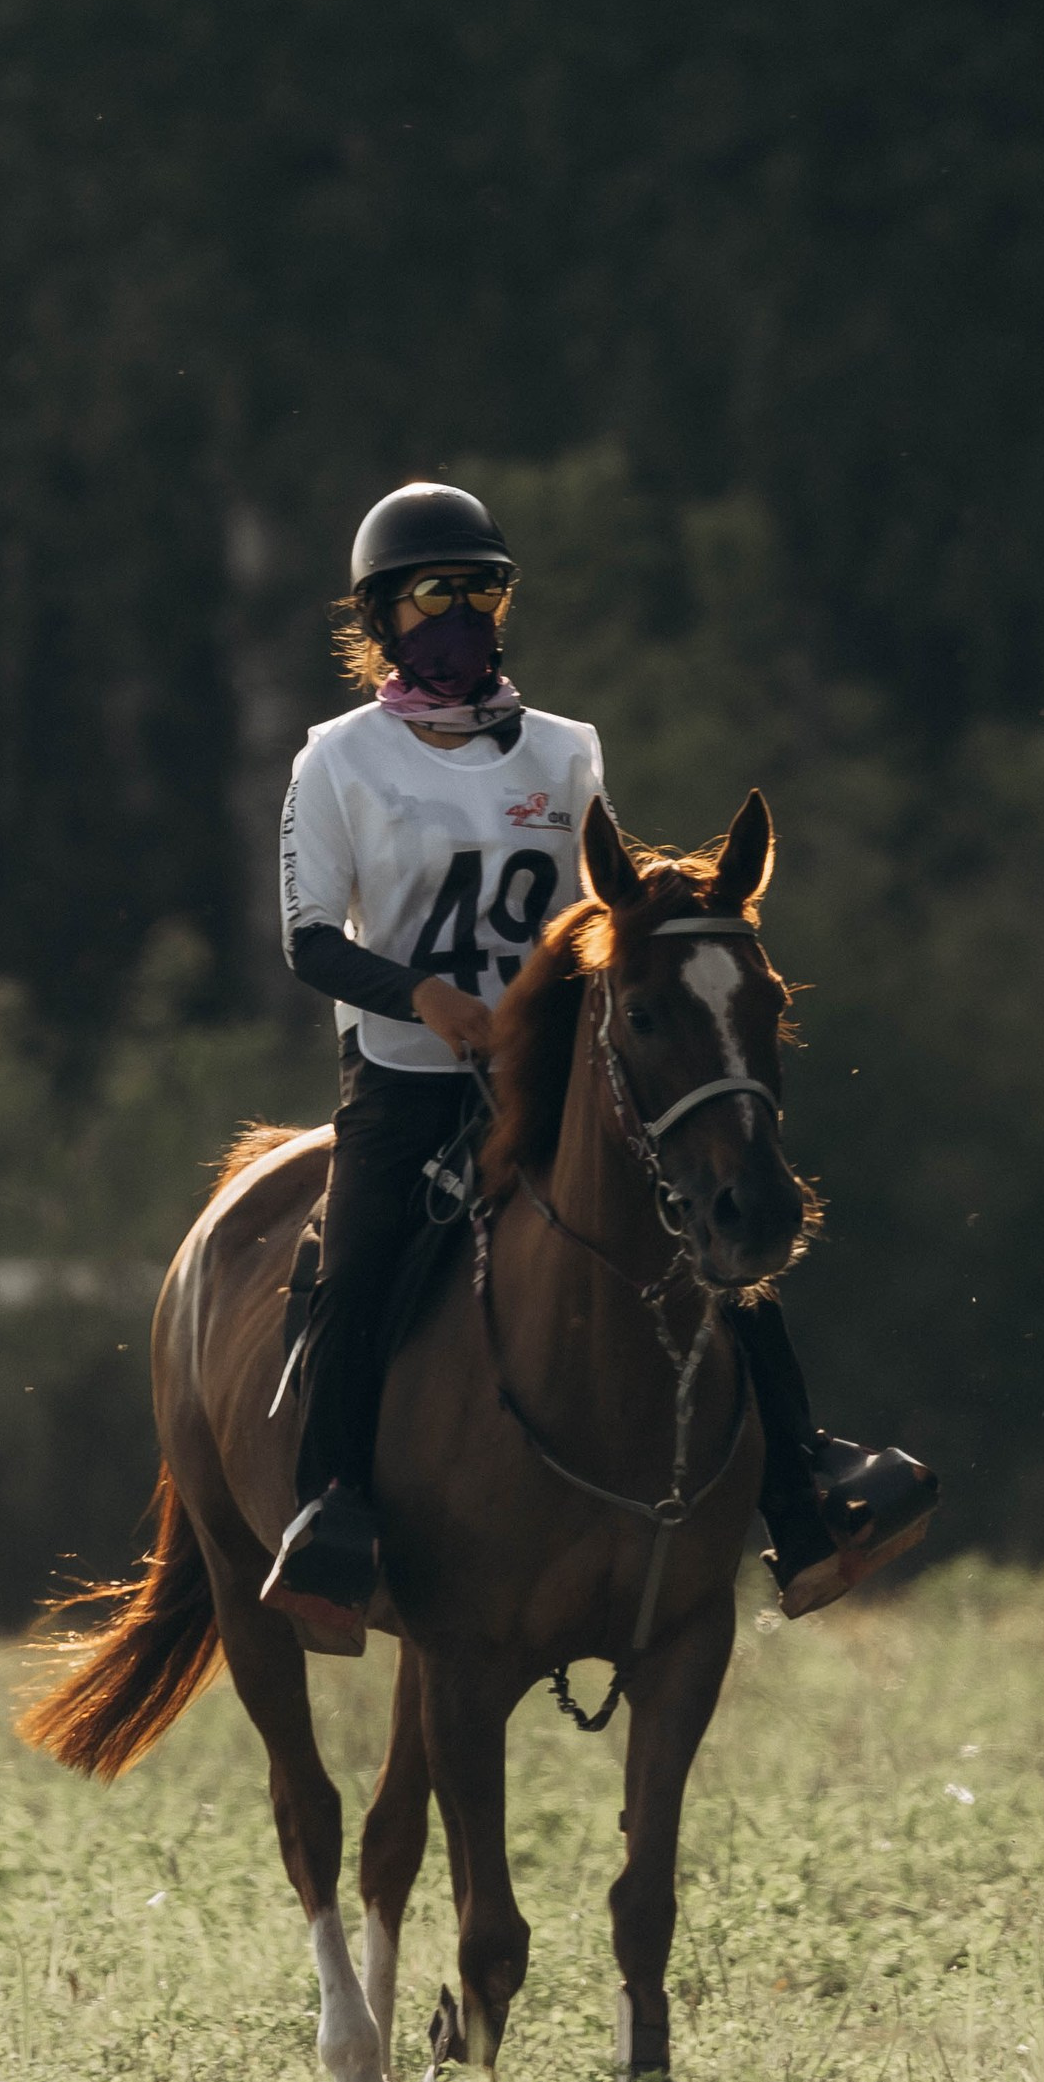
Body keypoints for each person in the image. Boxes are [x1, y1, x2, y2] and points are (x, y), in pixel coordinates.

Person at [261, 479, 935, 1648]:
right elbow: (309, 933)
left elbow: (602, 905)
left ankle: (802, 1488)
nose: (463, 612)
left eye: (484, 590)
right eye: (436, 592)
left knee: (708, 1219)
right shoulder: (336, 761)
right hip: (407, 1075)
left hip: (552, 1065)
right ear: (384, 616)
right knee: (358, 1257)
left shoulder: (567, 750)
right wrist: (421, 995)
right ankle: (333, 1512)